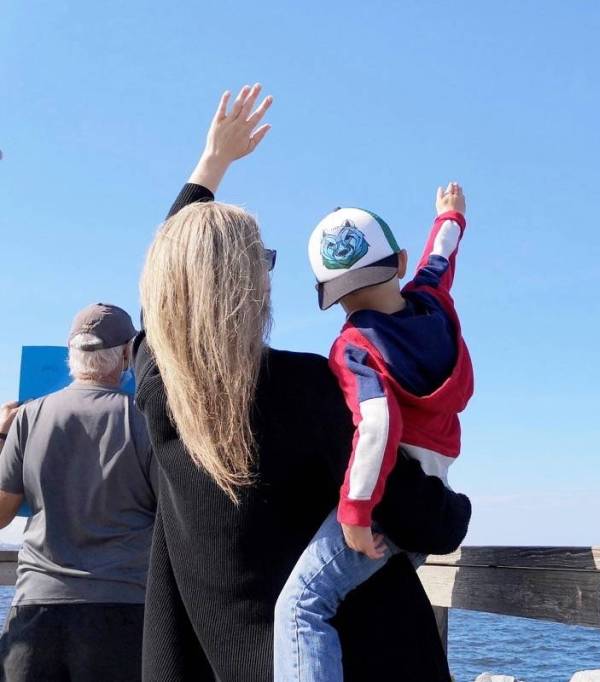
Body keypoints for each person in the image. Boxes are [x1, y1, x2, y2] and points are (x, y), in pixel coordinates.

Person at [135, 83, 470, 682]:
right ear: (246, 287)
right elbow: (427, 523)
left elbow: (164, 303)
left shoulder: (162, 395)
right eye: (262, 260)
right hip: (373, 658)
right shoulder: (311, 391)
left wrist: (210, 166)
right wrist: (456, 504)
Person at [274, 184, 473, 681]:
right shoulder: (434, 306)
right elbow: (440, 260)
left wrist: (357, 512)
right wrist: (449, 216)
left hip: (388, 506)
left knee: (302, 606)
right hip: (435, 494)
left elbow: (378, 426)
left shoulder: (355, 346)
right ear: (399, 263)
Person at [0, 304, 156, 682]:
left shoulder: (28, 418)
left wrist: (2, 435)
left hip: (36, 611)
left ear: (71, 355)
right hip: (122, 610)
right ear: (125, 354)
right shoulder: (145, 418)